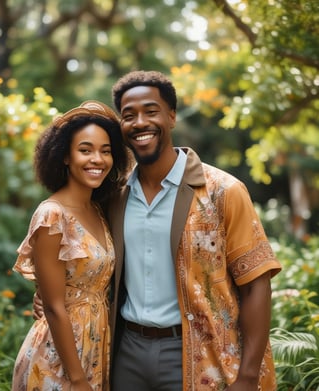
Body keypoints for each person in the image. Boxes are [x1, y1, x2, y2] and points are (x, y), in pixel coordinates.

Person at [34, 71, 282, 390]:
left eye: (151, 111)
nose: (140, 123)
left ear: (172, 116)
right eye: (128, 115)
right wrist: (47, 294)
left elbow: (256, 283)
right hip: (126, 353)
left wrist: (248, 376)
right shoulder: (112, 197)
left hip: (198, 355)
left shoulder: (223, 191)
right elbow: (83, 260)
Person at [12, 100, 129, 391]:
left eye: (105, 151)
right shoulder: (51, 216)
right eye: (85, 150)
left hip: (96, 345)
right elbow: (52, 306)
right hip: (59, 356)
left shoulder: (99, 210)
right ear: (65, 156)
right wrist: (77, 379)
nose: (97, 160)